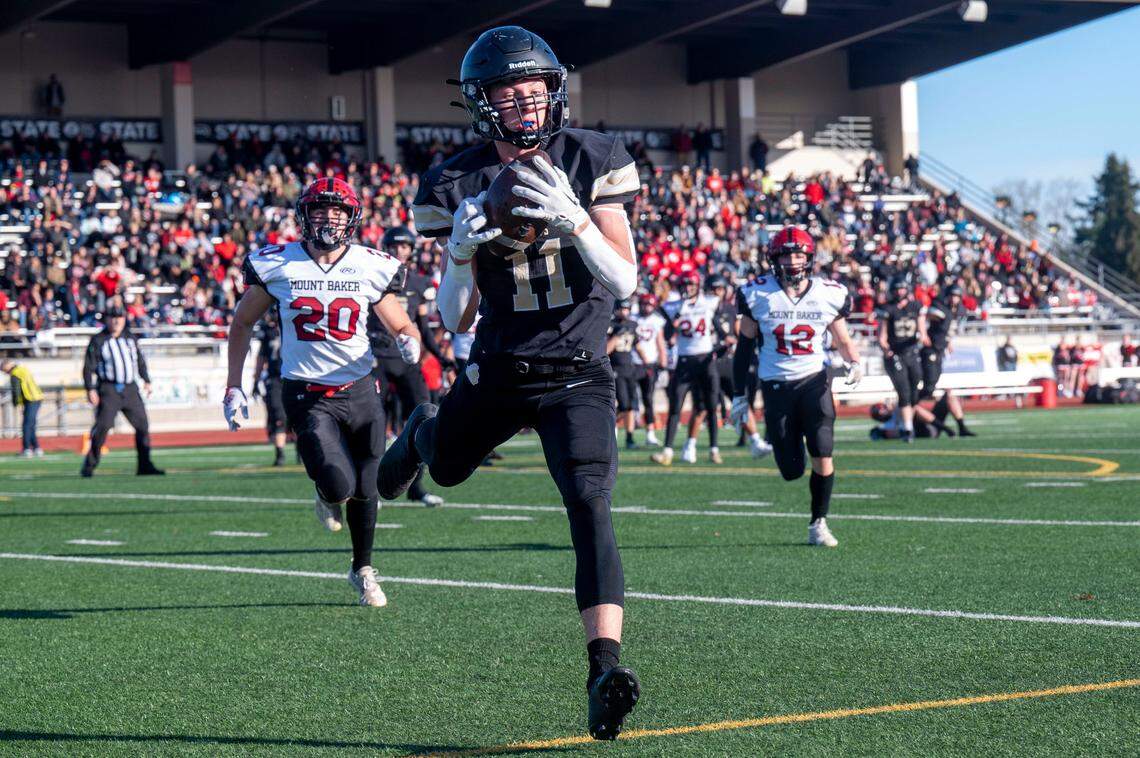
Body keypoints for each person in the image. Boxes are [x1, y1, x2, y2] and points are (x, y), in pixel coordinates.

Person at [379, 26, 642, 740]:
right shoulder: (453, 181)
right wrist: (460, 256)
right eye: (511, 95)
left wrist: (578, 221)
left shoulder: (595, 158)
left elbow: (624, 281)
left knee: (590, 504)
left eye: (536, 91)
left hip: (579, 372)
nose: (528, 106)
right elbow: (454, 316)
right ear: (482, 103)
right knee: (452, 468)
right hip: (497, 369)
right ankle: (423, 435)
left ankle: (603, 666)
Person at [223, 177, 422, 607]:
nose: (328, 220)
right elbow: (242, 323)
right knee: (338, 483)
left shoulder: (371, 264)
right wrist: (234, 386)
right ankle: (325, 494)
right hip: (309, 394)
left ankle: (362, 568)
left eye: (337, 212)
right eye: (320, 210)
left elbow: (400, 322)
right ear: (304, 215)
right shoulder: (278, 262)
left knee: (368, 487)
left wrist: (410, 338)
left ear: (352, 218)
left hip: (361, 390)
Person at [731, 227, 863, 548]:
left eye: (799, 254)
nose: (793, 261)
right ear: (773, 259)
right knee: (791, 470)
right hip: (776, 386)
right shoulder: (757, 293)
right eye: (787, 254)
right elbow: (744, 348)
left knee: (823, 448)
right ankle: (792, 451)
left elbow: (842, 338)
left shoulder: (828, 292)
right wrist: (739, 396)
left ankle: (819, 523)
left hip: (814, 381)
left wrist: (854, 361)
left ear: (810, 258)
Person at [368, 226, 447, 507]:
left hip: (407, 359)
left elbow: (424, 329)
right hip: (375, 356)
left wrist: (440, 356)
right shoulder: (373, 276)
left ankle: (416, 486)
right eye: (395, 246)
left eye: (404, 246)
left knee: (425, 416)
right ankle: (368, 488)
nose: (400, 251)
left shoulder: (418, 282)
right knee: (373, 420)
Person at [80, 306, 164, 477]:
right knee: (103, 426)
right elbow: (88, 367)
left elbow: (139, 361)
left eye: (120, 317)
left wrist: (146, 379)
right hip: (109, 389)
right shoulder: (98, 340)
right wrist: (90, 389)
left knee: (142, 426)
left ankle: (145, 465)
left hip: (130, 389)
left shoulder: (130, 338)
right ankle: (89, 465)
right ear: (106, 320)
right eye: (113, 317)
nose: (117, 321)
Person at [652, 271, 724, 465]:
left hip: (705, 360)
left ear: (698, 286)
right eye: (684, 285)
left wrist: (718, 349)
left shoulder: (709, 302)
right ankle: (667, 451)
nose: (687, 289)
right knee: (675, 405)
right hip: (684, 361)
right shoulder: (674, 306)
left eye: (691, 285)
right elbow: (667, 334)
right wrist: (675, 318)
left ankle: (713, 449)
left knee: (710, 405)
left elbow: (720, 329)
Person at [878, 276, 928, 443]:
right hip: (895, 355)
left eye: (902, 288)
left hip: (912, 354)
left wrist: (923, 338)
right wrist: (887, 349)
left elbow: (922, 331)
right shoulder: (888, 309)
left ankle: (903, 423)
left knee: (914, 391)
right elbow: (882, 337)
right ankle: (908, 429)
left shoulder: (916, 307)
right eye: (897, 289)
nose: (900, 291)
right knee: (904, 391)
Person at [922, 284, 975, 437]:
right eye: (952, 295)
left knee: (945, 391)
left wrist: (948, 341)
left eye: (957, 296)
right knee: (926, 388)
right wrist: (923, 333)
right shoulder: (940, 307)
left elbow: (948, 329)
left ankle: (962, 428)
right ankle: (943, 428)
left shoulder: (956, 311)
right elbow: (925, 316)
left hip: (939, 351)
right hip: (930, 350)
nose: (954, 298)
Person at [607, 299, 647, 450]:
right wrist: (616, 337)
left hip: (629, 368)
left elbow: (637, 345)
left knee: (630, 406)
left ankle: (630, 438)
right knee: (623, 405)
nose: (624, 312)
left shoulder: (632, 325)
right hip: (615, 369)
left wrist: (647, 362)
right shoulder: (610, 325)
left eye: (627, 309)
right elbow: (605, 350)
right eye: (622, 309)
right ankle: (610, 431)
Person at [252, 310, 288, 466]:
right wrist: (256, 381)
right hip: (275, 378)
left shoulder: (292, 328)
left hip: (293, 377)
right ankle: (280, 454)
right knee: (277, 415)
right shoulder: (268, 333)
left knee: (300, 416)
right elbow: (261, 358)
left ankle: (302, 452)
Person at [631, 293, 667, 447]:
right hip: (632, 363)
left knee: (648, 399)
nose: (647, 307)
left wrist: (663, 363)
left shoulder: (656, 320)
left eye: (650, 305)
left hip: (649, 364)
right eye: (645, 304)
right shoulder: (633, 318)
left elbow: (660, 342)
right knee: (631, 399)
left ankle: (650, 433)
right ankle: (629, 434)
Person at [3, 359, 44, 457]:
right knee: (31, 425)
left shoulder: (15, 373)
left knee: (26, 425)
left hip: (31, 399)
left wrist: (16, 403)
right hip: (36, 398)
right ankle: (36, 448)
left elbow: (16, 391)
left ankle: (26, 449)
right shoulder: (22, 368)